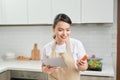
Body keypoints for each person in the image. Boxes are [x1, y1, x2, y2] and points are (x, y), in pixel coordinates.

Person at [42, 13, 88, 80]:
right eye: (60, 30)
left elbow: (84, 68)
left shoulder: (76, 44)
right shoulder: (47, 48)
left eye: (67, 30)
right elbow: (43, 68)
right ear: (53, 28)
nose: (65, 34)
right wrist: (46, 70)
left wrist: (82, 66)